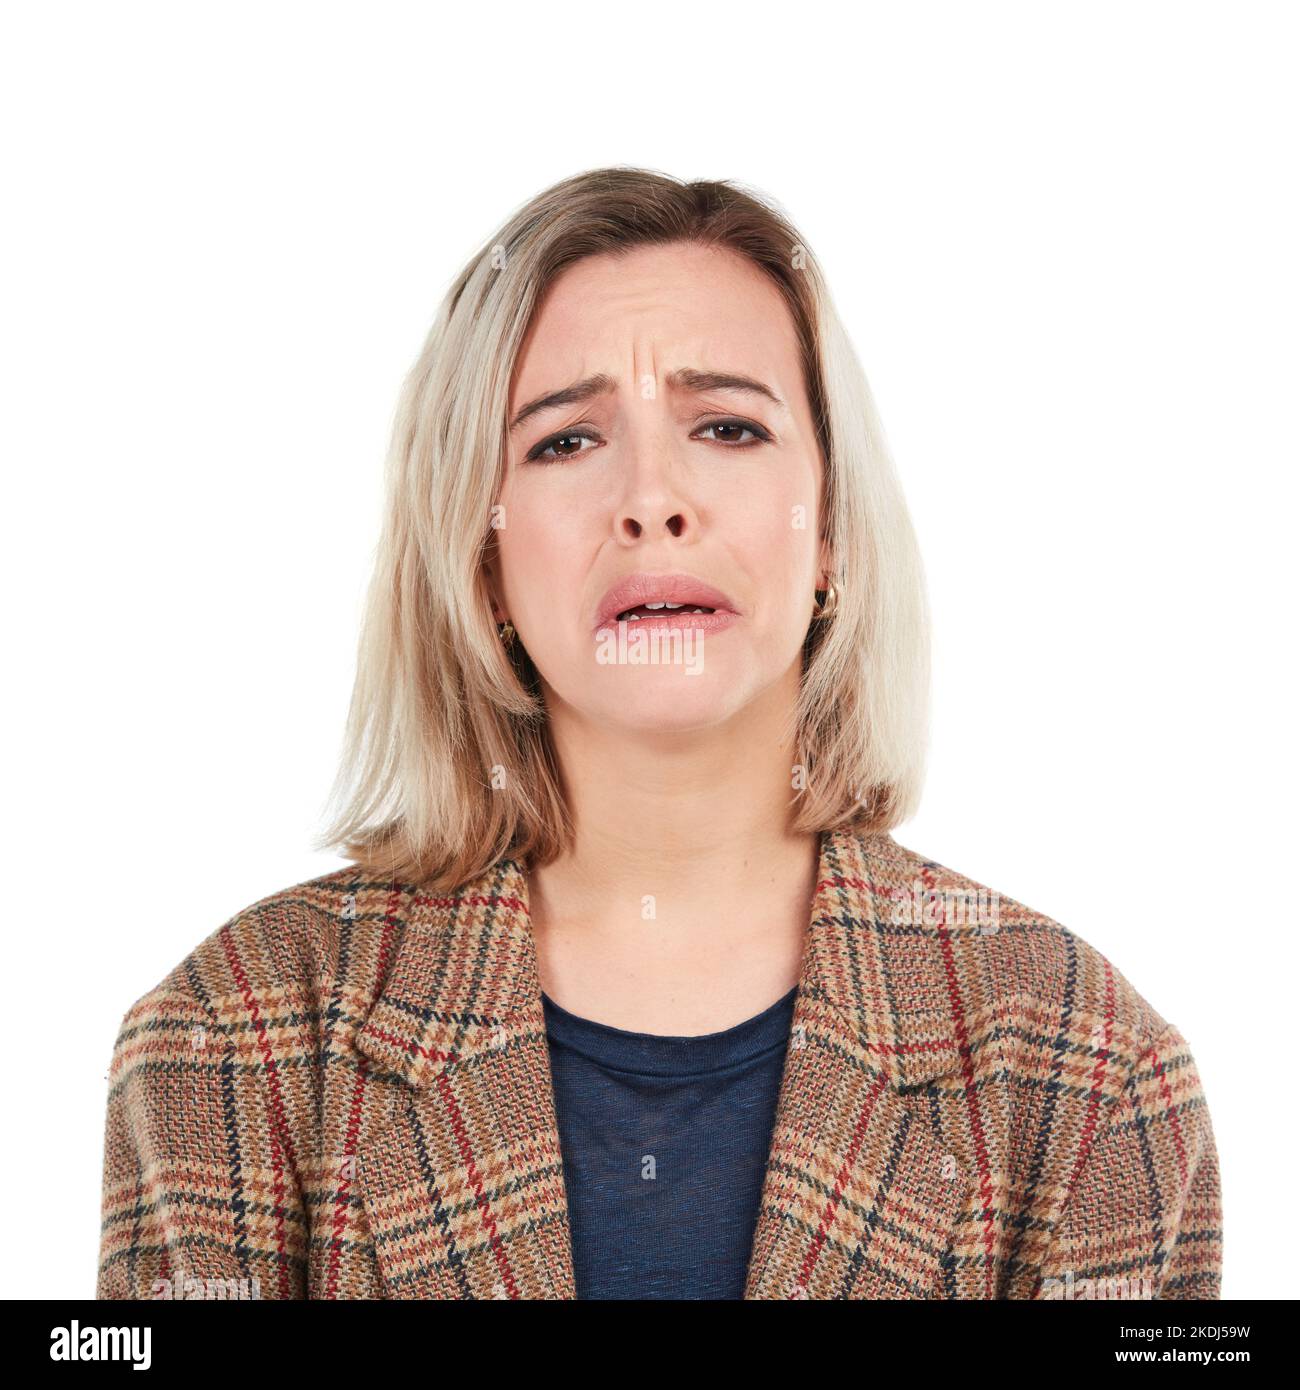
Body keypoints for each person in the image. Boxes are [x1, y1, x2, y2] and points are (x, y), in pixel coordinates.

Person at [96, 167, 1222, 1300]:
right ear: (481, 557)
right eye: (564, 442)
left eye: (727, 425)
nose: (651, 497)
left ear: (828, 528)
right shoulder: (228, 1040)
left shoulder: (1090, 1073)